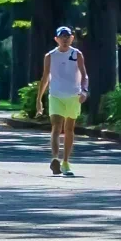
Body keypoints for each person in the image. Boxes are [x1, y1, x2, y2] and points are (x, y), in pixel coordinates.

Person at [36, 25, 88, 176]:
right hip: (56, 95)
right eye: (62, 37)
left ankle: (66, 162)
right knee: (56, 126)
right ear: (56, 39)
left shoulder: (77, 54)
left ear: (72, 38)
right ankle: (55, 159)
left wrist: (84, 91)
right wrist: (39, 99)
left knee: (69, 129)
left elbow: (84, 75)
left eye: (68, 37)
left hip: (73, 95)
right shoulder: (50, 56)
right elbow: (45, 78)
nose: (65, 40)